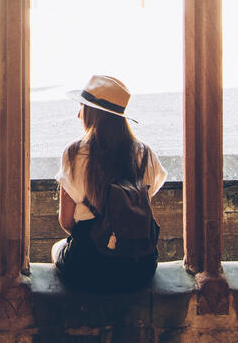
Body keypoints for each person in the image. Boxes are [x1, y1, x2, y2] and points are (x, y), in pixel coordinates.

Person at [51, 73, 166, 290]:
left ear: (91, 113)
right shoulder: (146, 154)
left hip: (88, 266)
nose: (78, 114)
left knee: (57, 248)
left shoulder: (74, 153)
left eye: (82, 107)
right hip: (140, 267)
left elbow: (66, 222)